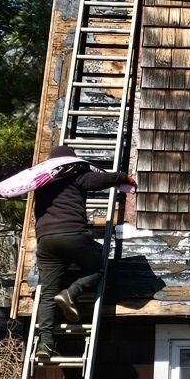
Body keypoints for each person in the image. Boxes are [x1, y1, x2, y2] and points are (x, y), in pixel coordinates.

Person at [32, 146, 137, 363]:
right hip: (72, 235)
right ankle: (72, 293)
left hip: (46, 241)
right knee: (97, 266)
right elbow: (99, 181)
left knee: (48, 292)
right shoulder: (75, 175)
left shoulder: (40, 183)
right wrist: (124, 177)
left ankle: (45, 343)